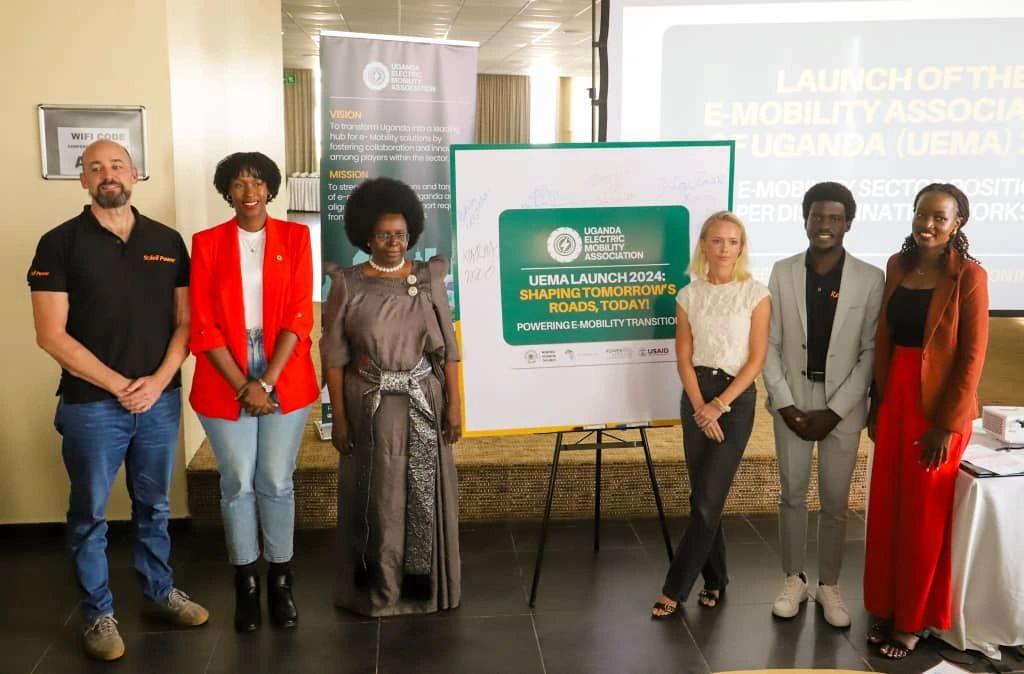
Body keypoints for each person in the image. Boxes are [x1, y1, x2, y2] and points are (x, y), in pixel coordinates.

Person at [28, 140, 208, 661]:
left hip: (159, 399)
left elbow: (186, 321)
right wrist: (118, 385)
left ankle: (158, 593)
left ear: (135, 175)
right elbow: (51, 335)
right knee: (89, 512)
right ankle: (98, 615)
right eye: (95, 168)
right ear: (82, 180)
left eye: (117, 166)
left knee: (154, 505)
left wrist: (157, 381)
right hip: (90, 405)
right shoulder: (58, 244)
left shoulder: (167, 241)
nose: (108, 175)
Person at [189, 152, 318, 632]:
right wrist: (242, 382)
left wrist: (266, 381)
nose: (249, 192)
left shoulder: (295, 237)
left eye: (258, 183)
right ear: (227, 191)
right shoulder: (206, 243)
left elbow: (300, 315)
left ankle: (280, 579)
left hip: (284, 363)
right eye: (239, 184)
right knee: (237, 480)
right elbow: (201, 324)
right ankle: (245, 582)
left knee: (276, 479)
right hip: (224, 365)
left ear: (271, 189)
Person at [321, 176, 462, 616]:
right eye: (384, 234)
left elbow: (449, 350)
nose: (393, 243)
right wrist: (339, 419)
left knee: (422, 496)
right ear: (366, 235)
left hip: (424, 401)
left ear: (411, 234)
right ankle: (376, 589)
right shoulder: (347, 283)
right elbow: (334, 357)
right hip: (369, 407)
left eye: (400, 234)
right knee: (378, 499)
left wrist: (455, 406)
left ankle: (424, 588)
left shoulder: (428, 278)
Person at [863, 183, 989, 659]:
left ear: (957, 223)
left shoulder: (970, 277)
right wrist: (877, 403)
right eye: (922, 214)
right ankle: (887, 604)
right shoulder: (897, 266)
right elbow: (886, 338)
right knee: (888, 508)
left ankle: (913, 620)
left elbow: (972, 357)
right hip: (894, 399)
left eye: (939, 217)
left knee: (923, 517)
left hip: (937, 410)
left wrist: (946, 424)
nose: (928, 224)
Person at [763, 182, 884, 627]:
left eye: (835, 218)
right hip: (792, 401)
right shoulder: (782, 271)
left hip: (843, 406)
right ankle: (794, 579)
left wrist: (835, 411)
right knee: (791, 496)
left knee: (835, 502)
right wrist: (786, 404)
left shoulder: (871, 279)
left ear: (848, 223)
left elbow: (870, 351)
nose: (825, 225)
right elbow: (769, 345)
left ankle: (829, 585)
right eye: (818, 216)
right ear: (805, 219)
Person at [651, 211, 770, 619]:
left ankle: (674, 588)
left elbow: (756, 360)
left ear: (742, 247)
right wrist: (701, 405)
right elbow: (682, 358)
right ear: (703, 245)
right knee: (704, 496)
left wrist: (719, 406)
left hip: (735, 401)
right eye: (716, 240)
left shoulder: (756, 294)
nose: (724, 248)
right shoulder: (689, 295)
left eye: (733, 241)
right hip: (695, 395)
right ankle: (716, 580)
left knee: (705, 500)